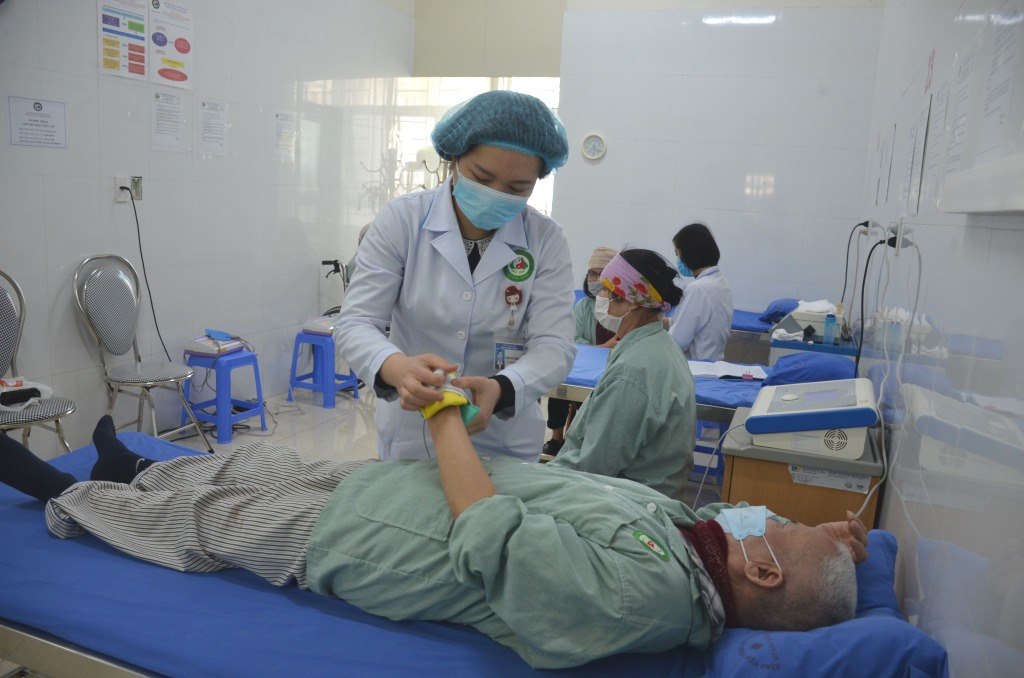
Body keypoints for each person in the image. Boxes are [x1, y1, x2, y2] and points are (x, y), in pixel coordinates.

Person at [1, 415, 868, 670]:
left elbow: (492, 534)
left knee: (206, 522)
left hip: (351, 541)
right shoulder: (691, 547)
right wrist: (831, 537)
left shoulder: (650, 596)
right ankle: (131, 464)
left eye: (776, 529)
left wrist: (446, 421)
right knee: (249, 464)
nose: (766, 519)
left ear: (757, 567)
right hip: (384, 490)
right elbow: (566, 489)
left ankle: (69, 493)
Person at [335, 90, 576, 461]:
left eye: (517, 188)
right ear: (454, 159)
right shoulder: (403, 220)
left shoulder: (545, 240)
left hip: (503, 441)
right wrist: (396, 367)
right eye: (482, 176)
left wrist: (504, 388)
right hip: (413, 434)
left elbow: (554, 345)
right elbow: (356, 322)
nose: (497, 194)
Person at [547, 250, 697, 501]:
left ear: (632, 301)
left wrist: (543, 484)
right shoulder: (656, 345)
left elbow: (593, 466)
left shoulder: (635, 371)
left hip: (625, 505)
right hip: (631, 495)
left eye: (607, 290)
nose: (601, 297)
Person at [543, 245, 619, 456]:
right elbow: (573, 340)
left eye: (601, 275)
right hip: (585, 367)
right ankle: (556, 438)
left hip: (612, 369)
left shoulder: (623, 309)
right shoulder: (583, 307)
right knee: (561, 383)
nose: (594, 279)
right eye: (592, 274)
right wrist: (602, 347)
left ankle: (585, 442)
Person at [668, 223, 733, 361]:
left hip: (697, 369)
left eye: (678, 254)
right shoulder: (719, 283)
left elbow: (677, 341)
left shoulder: (699, 289)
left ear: (689, 253)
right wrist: (658, 321)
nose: (678, 261)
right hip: (712, 363)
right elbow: (694, 323)